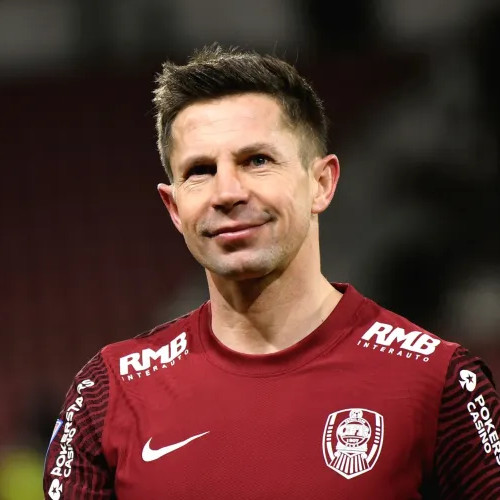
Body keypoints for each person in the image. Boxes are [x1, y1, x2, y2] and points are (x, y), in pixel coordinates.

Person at [43, 45, 500, 499]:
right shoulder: (108, 393)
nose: (227, 192)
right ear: (174, 207)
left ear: (321, 183)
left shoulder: (438, 381)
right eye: (200, 170)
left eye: (256, 161)